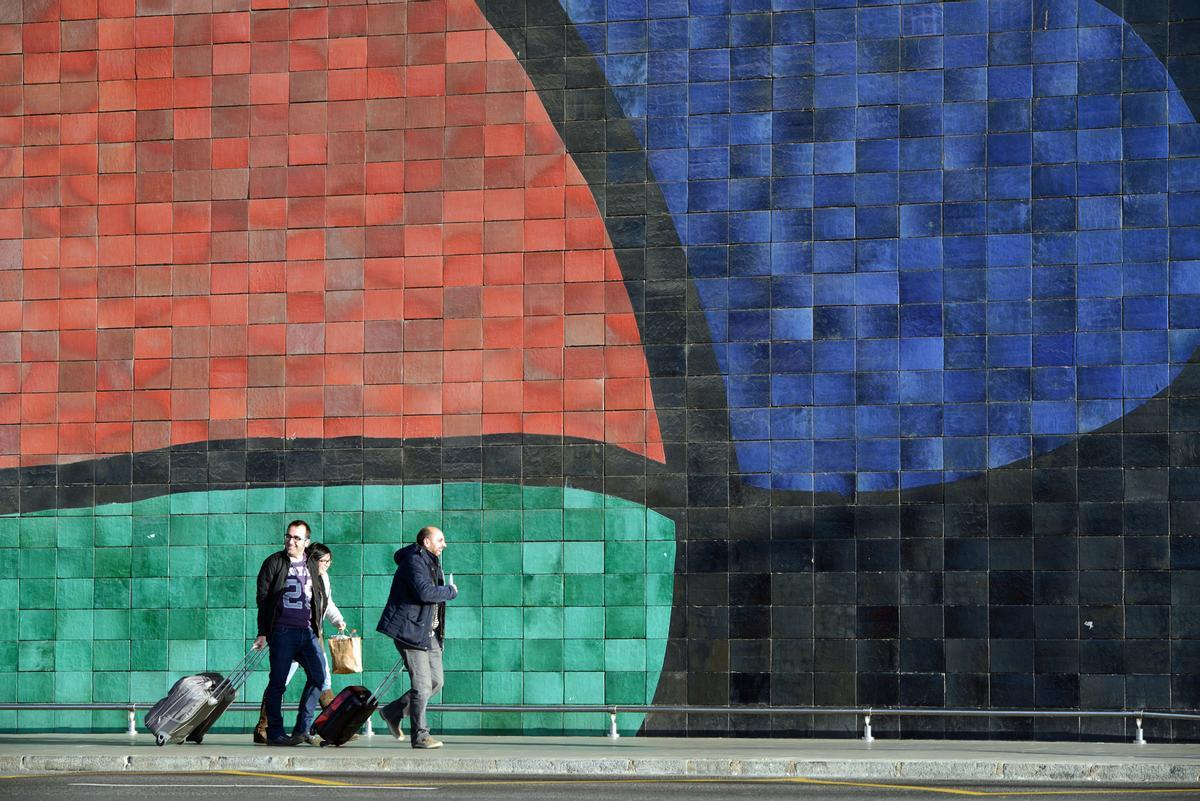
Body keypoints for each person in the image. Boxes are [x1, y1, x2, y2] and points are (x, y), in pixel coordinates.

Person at [253, 542, 348, 742]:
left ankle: (322, 726)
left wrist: (338, 620)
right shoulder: (298, 570)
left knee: (321, 677)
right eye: (323, 561)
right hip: (289, 631)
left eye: (329, 561)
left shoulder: (323, 576)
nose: (327, 565)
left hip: (312, 632)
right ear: (313, 559)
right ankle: (264, 727)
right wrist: (264, 632)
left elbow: (326, 602)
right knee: (281, 680)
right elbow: (265, 598)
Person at [377, 525, 457, 749]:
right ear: (426, 542)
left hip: (428, 633)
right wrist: (451, 591)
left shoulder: (430, 562)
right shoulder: (413, 562)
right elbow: (425, 593)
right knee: (421, 686)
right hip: (410, 632)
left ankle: (393, 711)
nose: (444, 545)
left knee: (436, 682)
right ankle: (420, 736)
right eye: (440, 540)